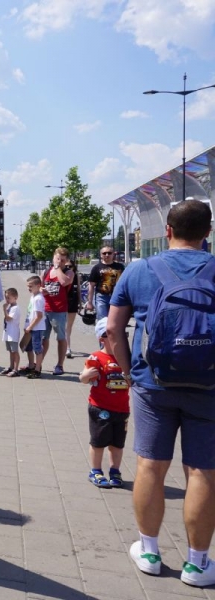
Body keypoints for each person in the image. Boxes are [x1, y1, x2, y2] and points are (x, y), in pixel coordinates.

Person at [108, 199, 215, 586]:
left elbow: (113, 329)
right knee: (203, 470)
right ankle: (197, 564)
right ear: (208, 232)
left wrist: (128, 372)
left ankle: (150, 552)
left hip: (152, 384)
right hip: (209, 386)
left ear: (167, 231)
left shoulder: (138, 270)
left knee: (151, 466)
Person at [78, 317, 129, 489]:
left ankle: (115, 471)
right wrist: (85, 375)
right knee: (98, 442)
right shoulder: (96, 357)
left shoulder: (126, 357)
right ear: (102, 338)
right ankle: (96, 471)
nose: (121, 337)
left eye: (123, 334)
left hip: (122, 408)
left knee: (117, 444)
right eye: (114, 334)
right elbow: (83, 378)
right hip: (100, 408)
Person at [40, 247, 74, 376]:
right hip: (45, 309)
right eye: (57, 258)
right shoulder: (46, 271)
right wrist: (42, 290)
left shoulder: (68, 272)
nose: (59, 261)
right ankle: (38, 363)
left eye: (62, 260)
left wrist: (58, 268)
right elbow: (39, 286)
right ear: (53, 257)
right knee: (43, 338)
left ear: (66, 261)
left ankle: (60, 365)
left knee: (60, 338)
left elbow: (64, 282)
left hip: (59, 310)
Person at [86, 246, 125, 319]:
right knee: (102, 320)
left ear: (113, 254)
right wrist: (89, 302)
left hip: (117, 297)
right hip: (101, 297)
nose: (107, 255)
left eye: (109, 253)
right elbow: (91, 285)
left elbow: (125, 283)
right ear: (101, 255)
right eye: (104, 253)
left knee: (115, 319)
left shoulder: (120, 267)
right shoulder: (97, 268)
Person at [23, 275, 46, 379]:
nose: (29, 288)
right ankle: (31, 366)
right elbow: (30, 313)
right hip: (31, 327)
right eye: (28, 286)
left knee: (37, 348)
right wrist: (27, 325)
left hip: (37, 328)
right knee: (29, 347)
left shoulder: (38, 299)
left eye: (31, 286)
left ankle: (37, 370)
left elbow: (39, 316)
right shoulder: (33, 297)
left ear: (38, 286)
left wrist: (30, 327)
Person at [0, 288, 21, 377]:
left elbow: (8, 318)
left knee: (14, 351)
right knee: (10, 351)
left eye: (9, 298)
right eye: (6, 297)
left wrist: (4, 310)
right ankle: (11, 366)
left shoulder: (15, 308)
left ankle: (16, 369)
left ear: (15, 297)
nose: (7, 300)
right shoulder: (10, 307)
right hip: (8, 333)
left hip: (13, 333)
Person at [64, 258, 80, 358]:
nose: (68, 268)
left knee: (68, 327)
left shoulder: (76, 276)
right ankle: (64, 346)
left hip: (73, 301)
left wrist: (80, 303)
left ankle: (68, 347)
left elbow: (78, 289)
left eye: (70, 266)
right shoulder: (61, 276)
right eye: (66, 266)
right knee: (63, 327)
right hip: (62, 302)